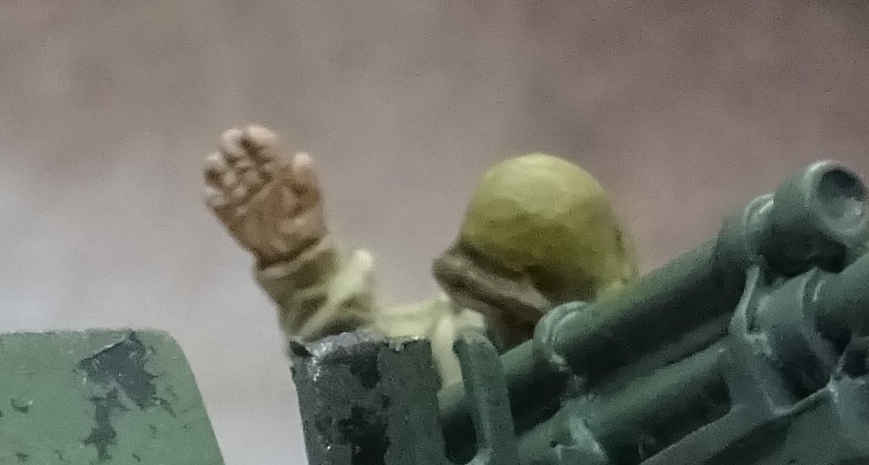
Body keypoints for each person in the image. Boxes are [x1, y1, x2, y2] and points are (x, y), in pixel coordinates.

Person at [200, 124, 638, 384]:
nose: (505, 324)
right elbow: (363, 366)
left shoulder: (650, 348)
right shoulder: (464, 348)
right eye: (503, 311)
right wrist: (304, 265)